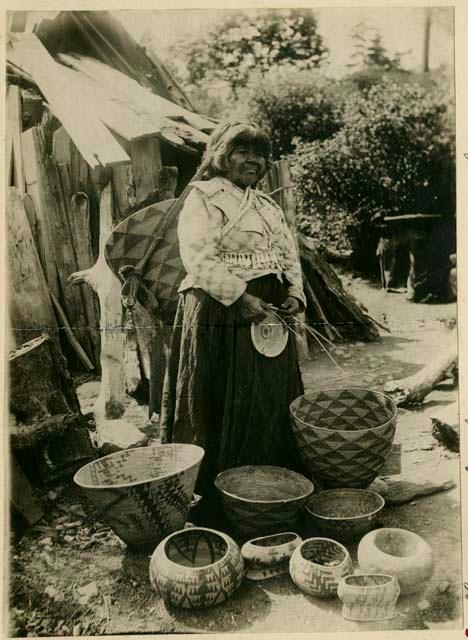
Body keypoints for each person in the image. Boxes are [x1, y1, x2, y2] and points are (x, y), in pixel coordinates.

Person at [160, 121, 306, 498]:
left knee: (268, 396)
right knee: (219, 397)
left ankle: (268, 487)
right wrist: (240, 297)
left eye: (259, 154)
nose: (253, 161)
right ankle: (217, 492)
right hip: (218, 308)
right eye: (243, 152)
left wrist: (294, 292)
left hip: (270, 312)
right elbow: (197, 256)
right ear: (223, 156)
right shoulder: (203, 197)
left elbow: (287, 252)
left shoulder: (267, 205)